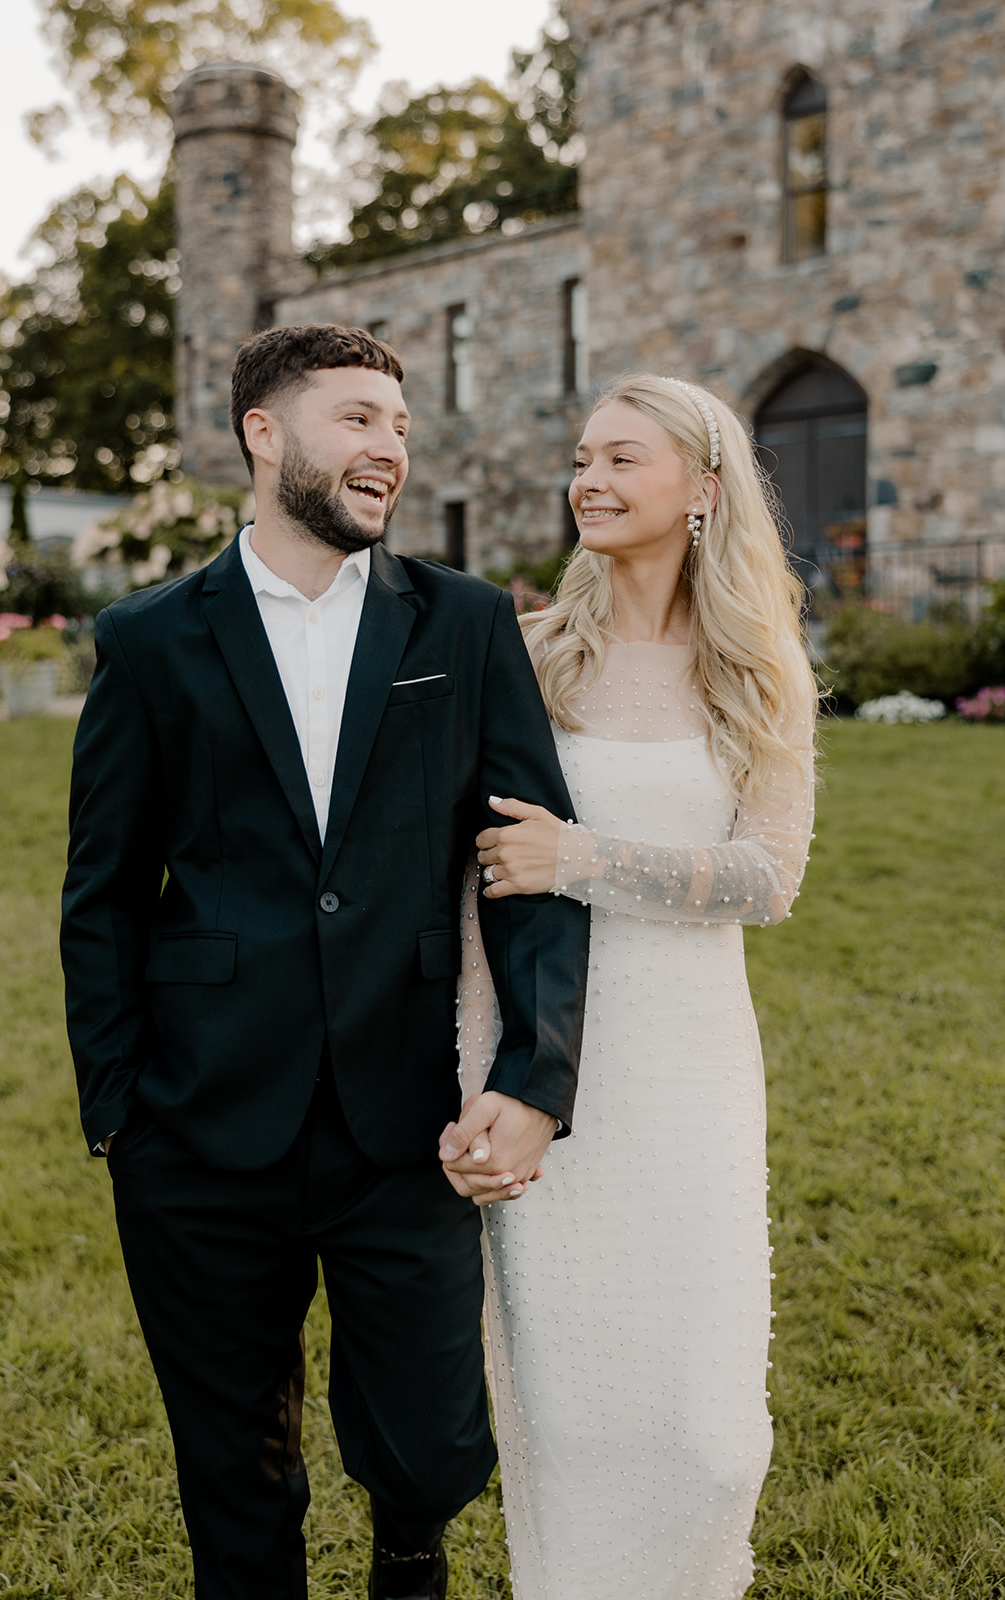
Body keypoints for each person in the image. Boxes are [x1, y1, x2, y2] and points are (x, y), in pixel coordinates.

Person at [59, 323, 589, 1600]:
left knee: (427, 1442)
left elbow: (530, 868)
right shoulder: (149, 639)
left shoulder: (461, 622)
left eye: (399, 429)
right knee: (232, 1460)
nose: (389, 449)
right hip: (197, 1121)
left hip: (407, 1110)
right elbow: (105, 893)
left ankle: (408, 1556)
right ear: (264, 432)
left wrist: (532, 1071)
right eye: (357, 419)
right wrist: (118, 1108)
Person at [442, 373, 817, 1599]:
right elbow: (472, 886)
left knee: (713, 1438)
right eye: (580, 459)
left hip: (692, 1064)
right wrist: (479, 1076)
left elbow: (767, 878)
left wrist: (584, 854)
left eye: (620, 460)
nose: (587, 481)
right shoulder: (535, 654)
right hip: (551, 1062)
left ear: (700, 491)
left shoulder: (758, 667)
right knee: (571, 1413)